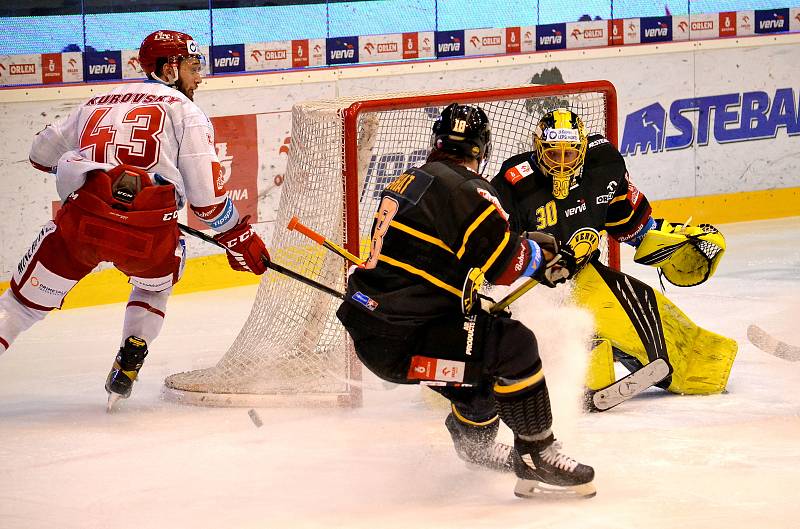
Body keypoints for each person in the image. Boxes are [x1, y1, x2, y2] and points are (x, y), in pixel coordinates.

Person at [336, 103, 596, 499]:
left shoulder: (411, 178)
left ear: (438, 142)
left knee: (482, 355)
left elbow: (441, 258)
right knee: (515, 345)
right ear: (482, 148)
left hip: (376, 334)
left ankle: (473, 442)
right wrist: (542, 259)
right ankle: (537, 455)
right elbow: (505, 267)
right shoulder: (467, 189)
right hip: (411, 339)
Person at [0, 30, 269, 409]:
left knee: (19, 307)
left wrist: (95, 169)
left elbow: (38, 155)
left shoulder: (96, 102)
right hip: (149, 234)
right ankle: (132, 350)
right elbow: (207, 204)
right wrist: (238, 237)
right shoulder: (186, 112)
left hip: (82, 222)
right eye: (194, 66)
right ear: (170, 69)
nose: (200, 76)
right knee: (152, 286)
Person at [489, 107, 735, 411]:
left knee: (684, 353)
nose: (562, 163)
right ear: (539, 149)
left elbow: (632, 226)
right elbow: (493, 251)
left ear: (581, 151)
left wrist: (671, 242)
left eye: (569, 154)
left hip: (584, 275)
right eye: (554, 153)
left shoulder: (603, 168)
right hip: (530, 288)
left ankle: (637, 354)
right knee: (565, 348)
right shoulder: (514, 184)